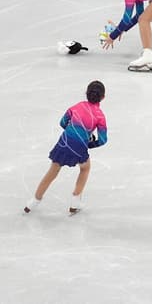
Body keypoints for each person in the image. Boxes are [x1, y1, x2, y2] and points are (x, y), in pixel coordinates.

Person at [24, 81, 108, 214]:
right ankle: (75, 201)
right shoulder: (100, 116)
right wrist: (88, 143)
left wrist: (71, 130)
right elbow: (103, 140)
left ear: (86, 93)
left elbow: (63, 122)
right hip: (79, 147)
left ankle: (33, 202)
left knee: (52, 172)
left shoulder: (76, 107)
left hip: (64, 142)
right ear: (103, 97)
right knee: (85, 168)